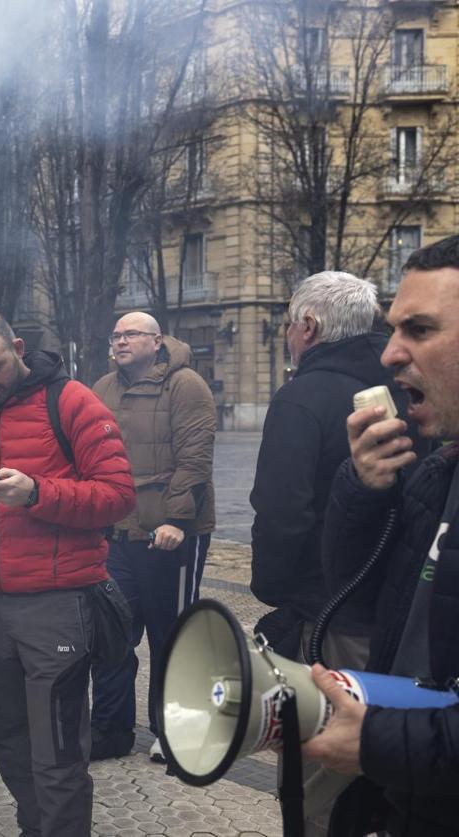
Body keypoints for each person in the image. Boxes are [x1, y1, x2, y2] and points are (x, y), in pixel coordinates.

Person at [0, 310, 134, 837]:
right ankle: (34, 828)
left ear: (18, 347)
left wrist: (37, 493)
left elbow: (118, 496)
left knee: (59, 751)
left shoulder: (70, 402)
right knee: (8, 740)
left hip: (58, 605)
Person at [306, 235, 459, 836]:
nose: (391, 355)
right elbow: (356, 597)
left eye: (419, 330)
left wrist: (378, 742)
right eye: (393, 330)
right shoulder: (435, 475)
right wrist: (364, 488)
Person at [250, 272, 425, 669]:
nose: (289, 336)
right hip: (405, 603)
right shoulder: (413, 387)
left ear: (308, 327)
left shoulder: (299, 398)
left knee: (335, 722)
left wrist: (273, 587)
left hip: (330, 608)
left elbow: (283, 510)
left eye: (291, 325)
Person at [89, 312, 216, 762]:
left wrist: (177, 521)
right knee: (112, 634)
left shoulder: (185, 386)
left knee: (172, 636)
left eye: (131, 334)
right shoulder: (103, 388)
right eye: (116, 334)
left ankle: (174, 731)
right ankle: (109, 730)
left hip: (171, 536)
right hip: (118, 533)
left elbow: (195, 458)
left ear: (157, 341)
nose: (120, 341)